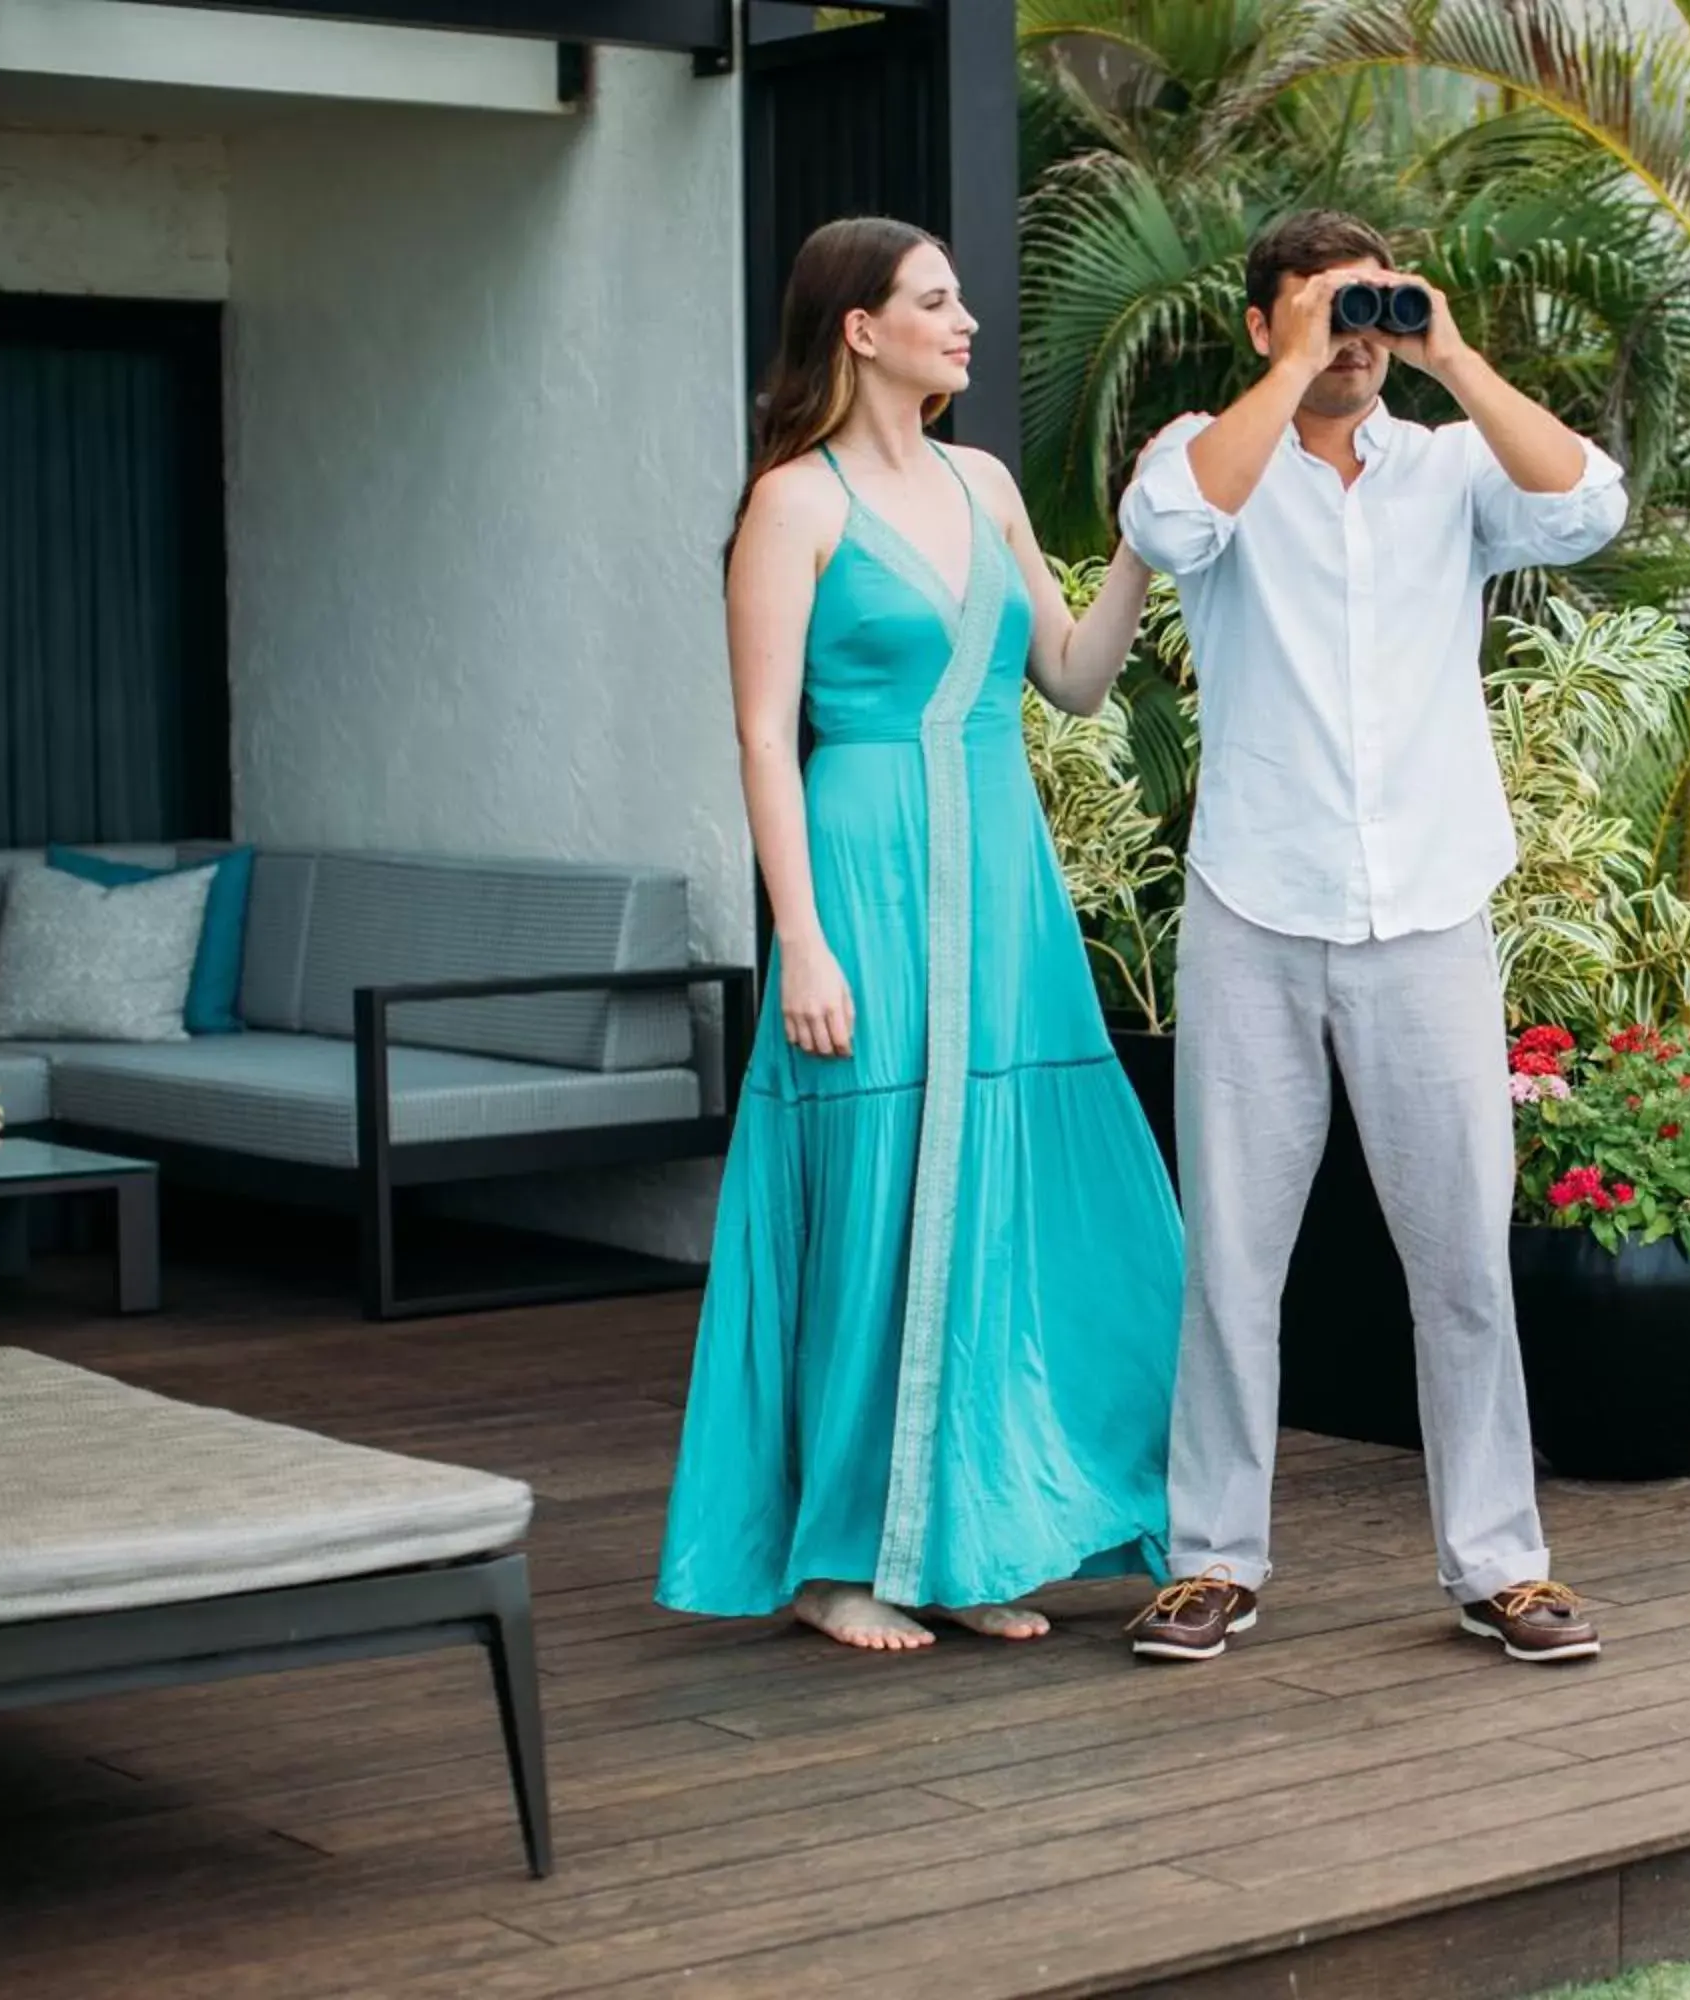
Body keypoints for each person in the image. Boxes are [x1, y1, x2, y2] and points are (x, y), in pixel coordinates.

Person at [657, 217, 1182, 1652]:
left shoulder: (986, 481)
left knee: (998, 1195)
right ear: (860, 329)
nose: (967, 323)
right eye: (936, 301)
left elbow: (1072, 677)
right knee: (869, 1198)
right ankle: (837, 1561)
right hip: (865, 869)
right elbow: (767, 737)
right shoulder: (795, 505)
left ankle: (961, 1538)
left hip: (1000, 876)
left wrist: (1142, 539)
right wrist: (802, 941)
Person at [1115, 210, 1627, 1666]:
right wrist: (1293, 367)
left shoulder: (1453, 468)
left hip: (1430, 911)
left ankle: (1501, 1564)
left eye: (1370, 303)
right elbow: (1165, 532)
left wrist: (1445, 350)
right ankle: (1212, 1557)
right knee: (1232, 1260)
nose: (1355, 331)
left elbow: (1590, 503)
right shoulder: (1203, 456)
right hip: (1255, 910)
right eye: (1322, 304)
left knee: (1463, 1257)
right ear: (1264, 319)